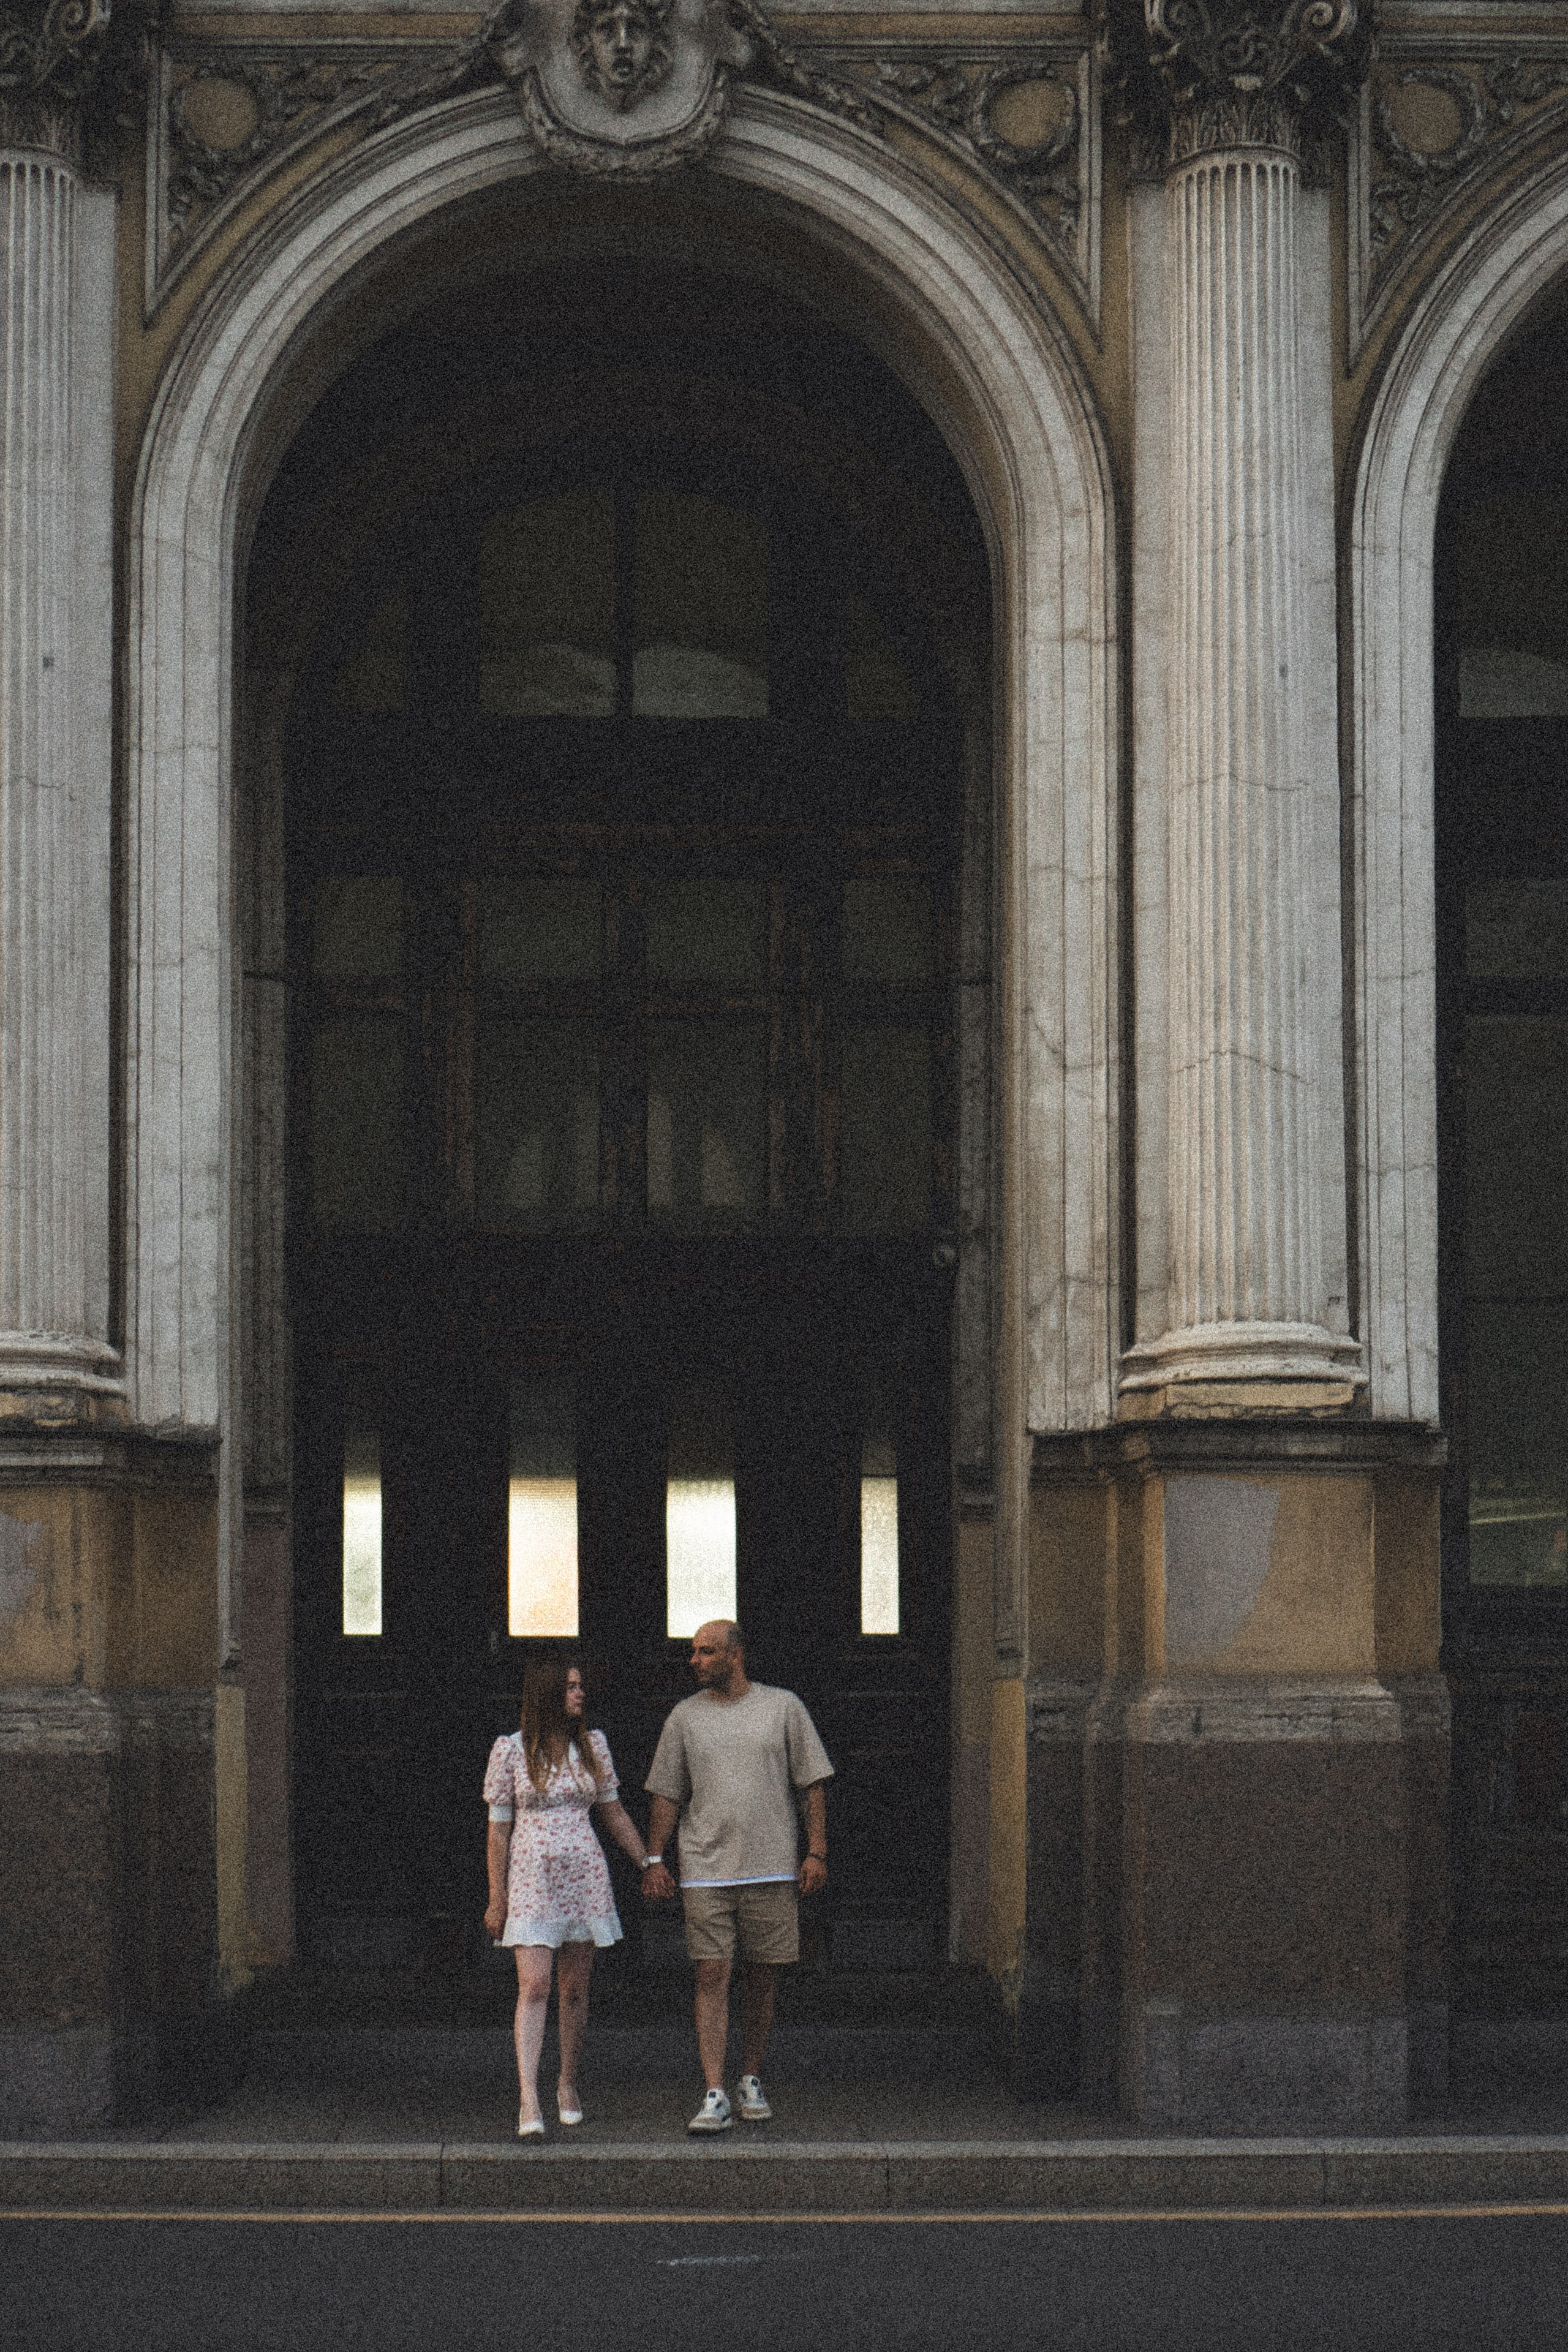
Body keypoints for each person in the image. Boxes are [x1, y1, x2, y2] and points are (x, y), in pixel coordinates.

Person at [640, 1618, 832, 2133]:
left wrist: (816, 1852)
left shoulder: (783, 1708)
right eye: (694, 1652)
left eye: (706, 1652)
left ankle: (750, 2076)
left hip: (770, 1866)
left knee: (763, 1976)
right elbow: (667, 1793)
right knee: (711, 1973)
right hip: (705, 1869)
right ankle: (715, 2090)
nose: (694, 1661)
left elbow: (812, 1784)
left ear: (735, 1656)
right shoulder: (684, 1717)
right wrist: (654, 1858)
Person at [483, 1651, 662, 2136]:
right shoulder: (512, 1750)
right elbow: (498, 1831)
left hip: (584, 1872)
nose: (581, 1693)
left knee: (576, 1988)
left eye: (581, 1685)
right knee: (535, 1984)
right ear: (547, 1695)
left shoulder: (594, 1747)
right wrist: (496, 1898)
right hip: (531, 1877)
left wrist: (648, 1861)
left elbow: (614, 1811)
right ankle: (528, 2096)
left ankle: (567, 2082)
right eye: (570, 1686)